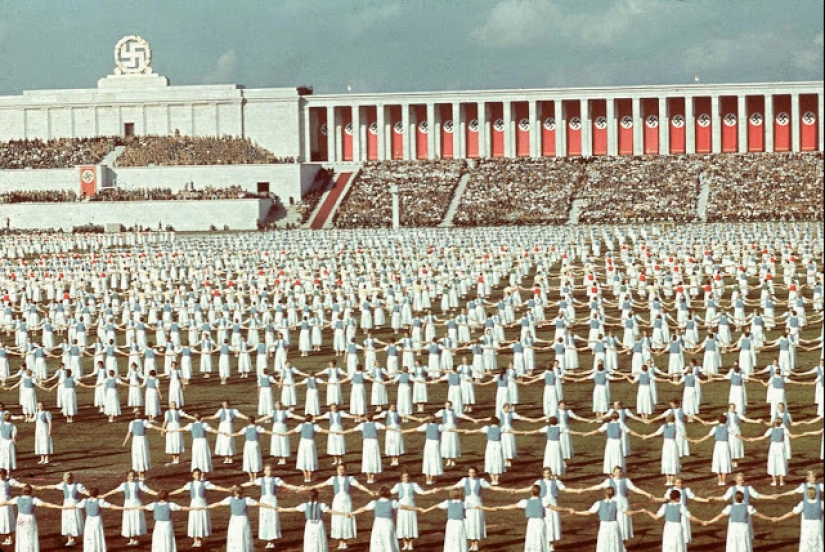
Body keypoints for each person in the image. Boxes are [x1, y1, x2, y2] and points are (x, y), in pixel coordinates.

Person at [240, 463, 303, 549]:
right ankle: (267, 540)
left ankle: (271, 541)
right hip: (264, 501)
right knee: (264, 519)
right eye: (267, 470)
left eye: (270, 470)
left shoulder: (276, 480)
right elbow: (250, 483)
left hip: (272, 501)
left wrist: (297, 487)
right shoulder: (260, 480)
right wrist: (238, 486)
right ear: (264, 471)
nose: (269, 472)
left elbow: (286, 485)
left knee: (272, 519)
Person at [475, 484, 552, 552]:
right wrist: (564, 509)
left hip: (532, 523)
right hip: (540, 522)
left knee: (532, 538)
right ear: (540, 492)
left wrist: (500, 508)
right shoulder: (543, 501)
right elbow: (555, 508)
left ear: (531, 492)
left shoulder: (526, 502)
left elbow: (512, 506)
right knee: (540, 538)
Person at [564, 487, 640, 552]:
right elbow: (628, 513)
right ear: (613, 494)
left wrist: (576, 513)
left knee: (604, 543)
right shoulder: (617, 503)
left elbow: (588, 512)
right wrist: (640, 511)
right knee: (614, 542)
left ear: (604, 494)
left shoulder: (599, 503)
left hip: (606, 525)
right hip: (613, 525)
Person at [169, 468, 230, 548]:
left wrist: (227, 489)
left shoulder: (205, 483)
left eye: (199, 475)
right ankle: (195, 540)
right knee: (194, 521)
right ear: (193, 475)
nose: (197, 476)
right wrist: (170, 494)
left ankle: (199, 540)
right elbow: (180, 490)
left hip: (202, 504)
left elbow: (216, 487)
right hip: (193, 505)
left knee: (201, 521)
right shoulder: (190, 484)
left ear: (201, 475)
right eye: (195, 475)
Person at [205, 485, 277, 552]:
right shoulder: (230, 499)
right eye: (237, 493)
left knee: (243, 535)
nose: (239, 495)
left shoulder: (247, 500)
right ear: (234, 493)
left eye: (240, 493)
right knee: (234, 535)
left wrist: (272, 507)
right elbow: (218, 504)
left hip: (243, 520)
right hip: (234, 520)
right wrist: (206, 507)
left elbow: (259, 504)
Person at [100, 470, 158, 547]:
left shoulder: (139, 484)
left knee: (136, 520)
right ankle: (131, 539)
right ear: (127, 477)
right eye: (130, 476)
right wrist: (104, 495)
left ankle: (136, 539)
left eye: (133, 476)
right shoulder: (124, 485)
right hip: (127, 504)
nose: (132, 478)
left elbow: (148, 490)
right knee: (129, 520)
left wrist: (158, 494)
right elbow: (115, 491)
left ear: (135, 476)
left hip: (137, 504)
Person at [31, 471, 89, 547]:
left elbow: (86, 492)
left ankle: (73, 538)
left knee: (74, 521)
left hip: (74, 505)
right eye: (64, 479)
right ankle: (69, 538)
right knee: (67, 521)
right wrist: (42, 487)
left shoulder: (78, 485)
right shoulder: (63, 484)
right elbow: (53, 486)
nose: (65, 481)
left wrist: (94, 495)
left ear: (71, 479)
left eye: (66, 480)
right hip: (66, 505)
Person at [703, 491, 772, 552]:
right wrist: (770, 518)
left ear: (734, 498)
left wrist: (709, 522)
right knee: (744, 542)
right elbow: (759, 515)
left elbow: (718, 517)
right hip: (743, 528)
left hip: (733, 528)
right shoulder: (748, 507)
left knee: (733, 542)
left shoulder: (729, 507)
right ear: (743, 498)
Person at [0, 484, 62, 552]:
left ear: (22, 491)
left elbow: (6, 502)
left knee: (21, 535)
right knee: (30, 535)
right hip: (30, 519)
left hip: (21, 519)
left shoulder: (17, 498)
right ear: (30, 492)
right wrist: (60, 507)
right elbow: (46, 504)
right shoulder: (33, 500)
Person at [63, 487, 122, 552]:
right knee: (96, 534)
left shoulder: (85, 501)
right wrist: (122, 508)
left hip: (90, 520)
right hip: (95, 520)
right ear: (97, 494)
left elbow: (75, 506)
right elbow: (111, 506)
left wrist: (64, 507)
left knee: (89, 534)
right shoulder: (99, 501)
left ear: (89, 493)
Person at [769, 485, 823, 552]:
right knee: (818, 540)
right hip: (818, 524)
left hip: (807, 525)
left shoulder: (803, 504)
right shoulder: (821, 503)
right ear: (816, 494)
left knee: (806, 541)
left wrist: (779, 518)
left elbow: (792, 513)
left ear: (807, 494)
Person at [348, 485, 400, 552]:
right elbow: (405, 507)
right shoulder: (393, 503)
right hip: (388, 524)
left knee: (378, 541)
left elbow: (363, 509)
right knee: (388, 540)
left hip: (378, 524)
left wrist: (352, 513)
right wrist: (416, 508)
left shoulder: (374, 503)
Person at [390, 471, 432, 551]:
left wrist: (432, 491)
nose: (406, 478)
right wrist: (377, 493)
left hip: (411, 507)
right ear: (402, 478)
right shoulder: (398, 485)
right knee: (402, 524)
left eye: (407, 476)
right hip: (401, 508)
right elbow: (390, 492)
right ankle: (405, 543)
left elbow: (422, 492)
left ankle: (410, 544)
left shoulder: (414, 485)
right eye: (404, 476)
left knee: (411, 524)